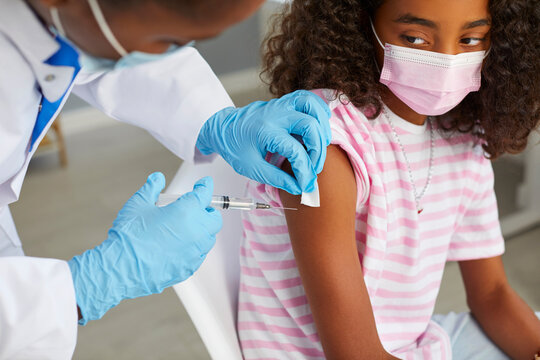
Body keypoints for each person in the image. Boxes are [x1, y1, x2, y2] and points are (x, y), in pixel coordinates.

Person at [0, 0, 332, 358]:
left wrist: (215, 120)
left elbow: (114, 45)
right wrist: (89, 284)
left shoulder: (70, 18)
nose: (165, 56)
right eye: (168, 39)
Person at [237, 0, 540, 359]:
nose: (446, 60)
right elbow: (355, 354)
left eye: (471, 39)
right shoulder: (324, 145)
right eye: (415, 38)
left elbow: (492, 295)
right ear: (363, 25)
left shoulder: (463, 142)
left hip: (410, 347)